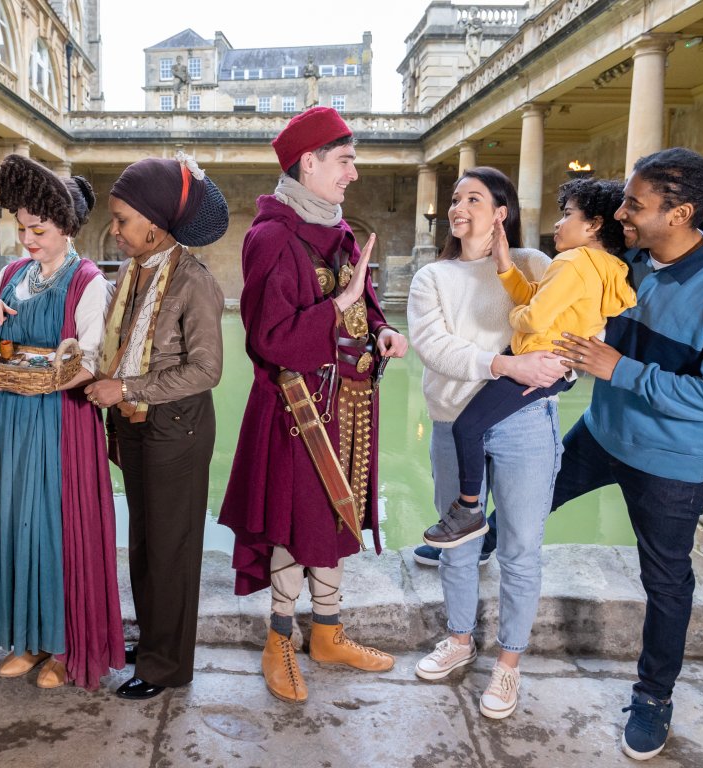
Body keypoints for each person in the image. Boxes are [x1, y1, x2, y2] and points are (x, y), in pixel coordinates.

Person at [551, 148, 703, 760]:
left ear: (681, 213)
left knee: (666, 582)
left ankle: (654, 697)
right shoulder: (632, 258)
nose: (622, 214)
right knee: (530, 493)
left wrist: (620, 368)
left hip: (671, 467)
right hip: (602, 432)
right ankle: (480, 542)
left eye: (636, 205)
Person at [218, 107, 408, 705]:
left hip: (348, 404)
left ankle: (325, 634)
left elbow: (365, 306)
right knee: (294, 524)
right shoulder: (271, 237)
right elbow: (268, 339)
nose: (353, 174)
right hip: (295, 412)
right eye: (345, 161)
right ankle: (280, 643)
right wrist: (339, 306)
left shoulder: (341, 232)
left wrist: (379, 329)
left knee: (335, 518)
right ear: (310, 162)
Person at [0, 154, 123, 691]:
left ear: (66, 227)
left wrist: (43, 368)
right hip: (0, 417)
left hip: (56, 425)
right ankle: (29, 639)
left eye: (38, 230)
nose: (27, 239)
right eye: (21, 228)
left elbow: (89, 363)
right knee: (10, 523)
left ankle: (67, 646)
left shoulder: (89, 281)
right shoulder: (12, 274)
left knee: (53, 528)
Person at [407, 167, 566, 719]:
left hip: (525, 422)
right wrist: (505, 364)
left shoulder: (535, 266)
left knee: (521, 546)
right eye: (455, 198)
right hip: (453, 421)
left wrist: (543, 367)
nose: (458, 207)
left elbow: (567, 330)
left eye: (473, 198)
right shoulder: (433, 277)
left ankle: (509, 663)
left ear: (501, 211)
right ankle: (459, 637)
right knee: (458, 541)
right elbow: (434, 346)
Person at [423, 177, 635, 549]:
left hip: (534, 360)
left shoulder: (572, 261)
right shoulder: (603, 266)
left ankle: (468, 508)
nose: (558, 223)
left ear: (594, 224)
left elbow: (534, 317)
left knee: (466, 426)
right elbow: (541, 297)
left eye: (567, 214)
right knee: (471, 426)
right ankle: (475, 520)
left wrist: (516, 317)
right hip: (549, 363)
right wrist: (506, 266)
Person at [84, 151, 227, 700]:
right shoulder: (134, 272)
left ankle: (167, 664)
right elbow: (120, 346)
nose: (114, 229)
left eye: (122, 219)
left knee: (171, 548)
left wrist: (127, 388)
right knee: (144, 543)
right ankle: (153, 644)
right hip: (138, 426)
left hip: (178, 428)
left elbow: (207, 370)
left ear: (156, 222)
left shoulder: (194, 282)